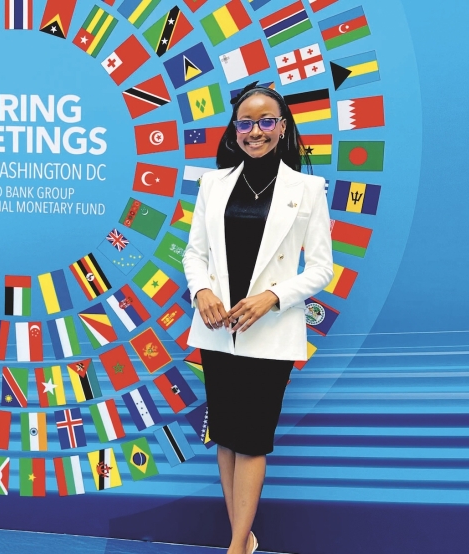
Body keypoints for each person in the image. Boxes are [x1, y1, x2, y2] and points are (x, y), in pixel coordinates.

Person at [182, 83, 334, 554]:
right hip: (218, 331)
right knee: (227, 438)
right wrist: (202, 289)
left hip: (270, 335)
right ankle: (242, 539)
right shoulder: (214, 183)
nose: (256, 131)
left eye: (267, 121)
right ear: (235, 129)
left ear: (282, 127)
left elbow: (321, 269)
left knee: (252, 441)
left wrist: (272, 296)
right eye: (245, 122)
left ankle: (233, 548)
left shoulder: (308, 189)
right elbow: (194, 254)